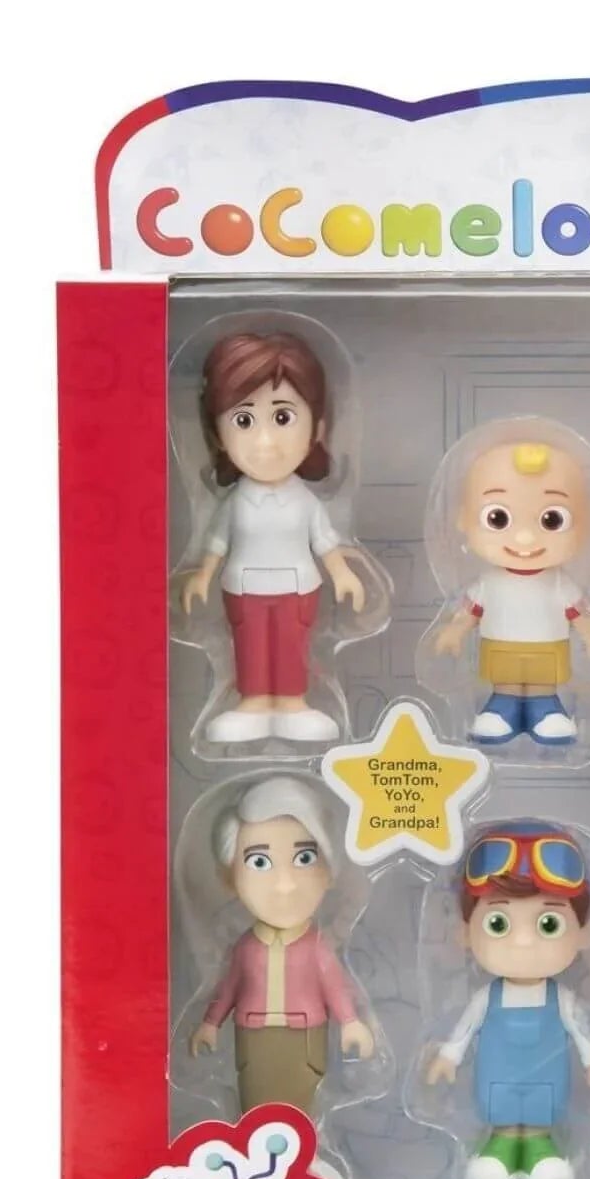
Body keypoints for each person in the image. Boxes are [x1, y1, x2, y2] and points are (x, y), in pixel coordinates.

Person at [180, 331, 370, 743]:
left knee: (289, 642)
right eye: (244, 420)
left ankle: (291, 703)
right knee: (249, 643)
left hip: (297, 586)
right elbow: (217, 542)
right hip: (243, 586)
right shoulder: (235, 502)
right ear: (217, 434)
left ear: (317, 427)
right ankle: (252, 704)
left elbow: (325, 542)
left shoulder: (305, 501)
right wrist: (201, 576)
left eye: (283, 417)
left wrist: (344, 575)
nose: (265, 442)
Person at [424, 824, 590, 1179]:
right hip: (497, 1076)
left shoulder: (562, 999)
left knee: (541, 1112)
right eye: (498, 923)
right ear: (465, 933)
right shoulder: (486, 997)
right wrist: (448, 1057)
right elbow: (464, 1029)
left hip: (547, 1079)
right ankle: (499, 1149)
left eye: (549, 924)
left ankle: (541, 1150)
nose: (524, 941)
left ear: (584, 933)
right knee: (501, 1111)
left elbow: (582, 1031)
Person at [192, 776, 373, 1113]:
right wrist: (211, 1023)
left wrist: (350, 1022)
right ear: (229, 877)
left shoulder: (316, 948)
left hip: (305, 1036)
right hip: (254, 1035)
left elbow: (334, 986)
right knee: (256, 1101)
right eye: (259, 862)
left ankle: (305, 1142)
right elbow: (229, 987)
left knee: (304, 1102)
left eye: (304, 858)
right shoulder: (246, 948)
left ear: (329, 871)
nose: (285, 884)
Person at [431, 437, 590, 745]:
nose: (524, 537)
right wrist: (454, 631)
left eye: (552, 520)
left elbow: (578, 613)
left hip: (547, 648)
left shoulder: (559, 583)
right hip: (500, 646)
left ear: (584, 523)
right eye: (498, 518)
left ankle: (545, 709)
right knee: (504, 680)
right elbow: (471, 612)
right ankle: (501, 708)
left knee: (542, 683)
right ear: (464, 519)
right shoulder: (489, 582)